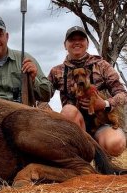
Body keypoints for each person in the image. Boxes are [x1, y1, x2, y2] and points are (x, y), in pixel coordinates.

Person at [49, 26, 127, 157]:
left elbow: (123, 94)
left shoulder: (102, 65)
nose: (77, 42)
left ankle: (103, 165)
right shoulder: (56, 71)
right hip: (75, 125)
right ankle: (79, 162)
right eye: (72, 39)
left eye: (81, 39)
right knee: (69, 110)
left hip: (101, 124)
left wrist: (105, 104)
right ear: (65, 45)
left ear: (87, 43)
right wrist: (52, 117)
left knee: (116, 142)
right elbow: (41, 95)